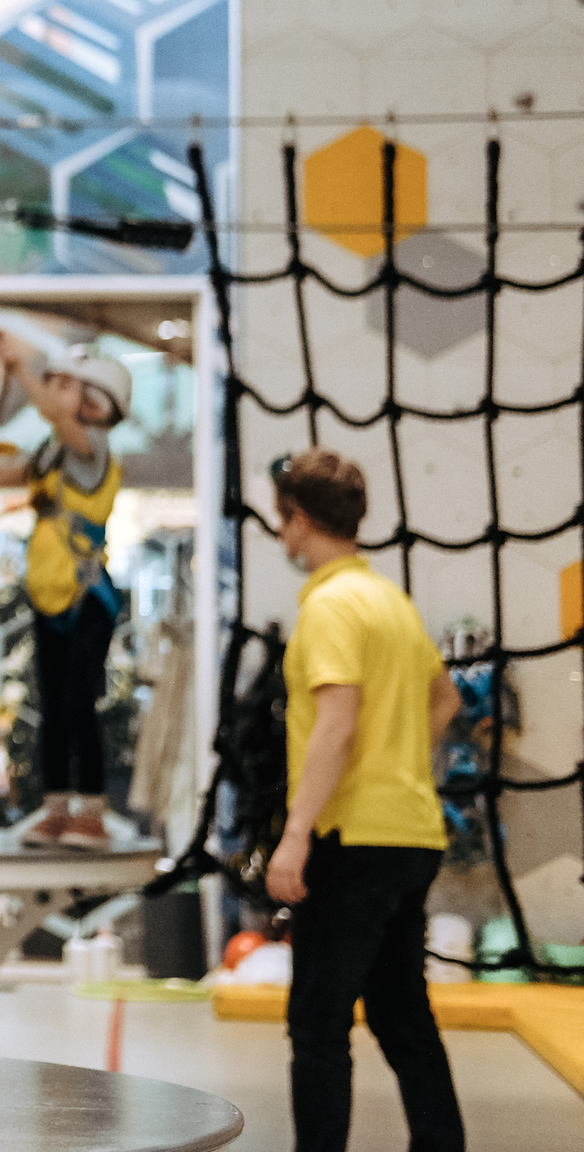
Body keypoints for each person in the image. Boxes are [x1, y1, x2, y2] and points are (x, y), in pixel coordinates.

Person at [263, 449, 462, 1152]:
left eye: (282, 518)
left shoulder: (329, 605)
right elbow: (446, 698)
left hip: (353, 840)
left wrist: (295, 835)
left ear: (299, 519)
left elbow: (337, 722)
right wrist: (397, 757)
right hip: (412, 834)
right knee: (402, 1016)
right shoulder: (390, 602)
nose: (281, 532)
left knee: (318, 1024)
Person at [0, 335, 134, 849]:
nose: (53, 393)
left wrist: (22, 370)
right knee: (52, 706)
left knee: (79, 703)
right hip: (48, 597)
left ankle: (91, 812)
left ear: (94, 403)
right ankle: (58, 809)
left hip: (86, 598)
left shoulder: (90, 449)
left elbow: (57, 417)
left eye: (66, 385)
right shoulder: (51, 453)